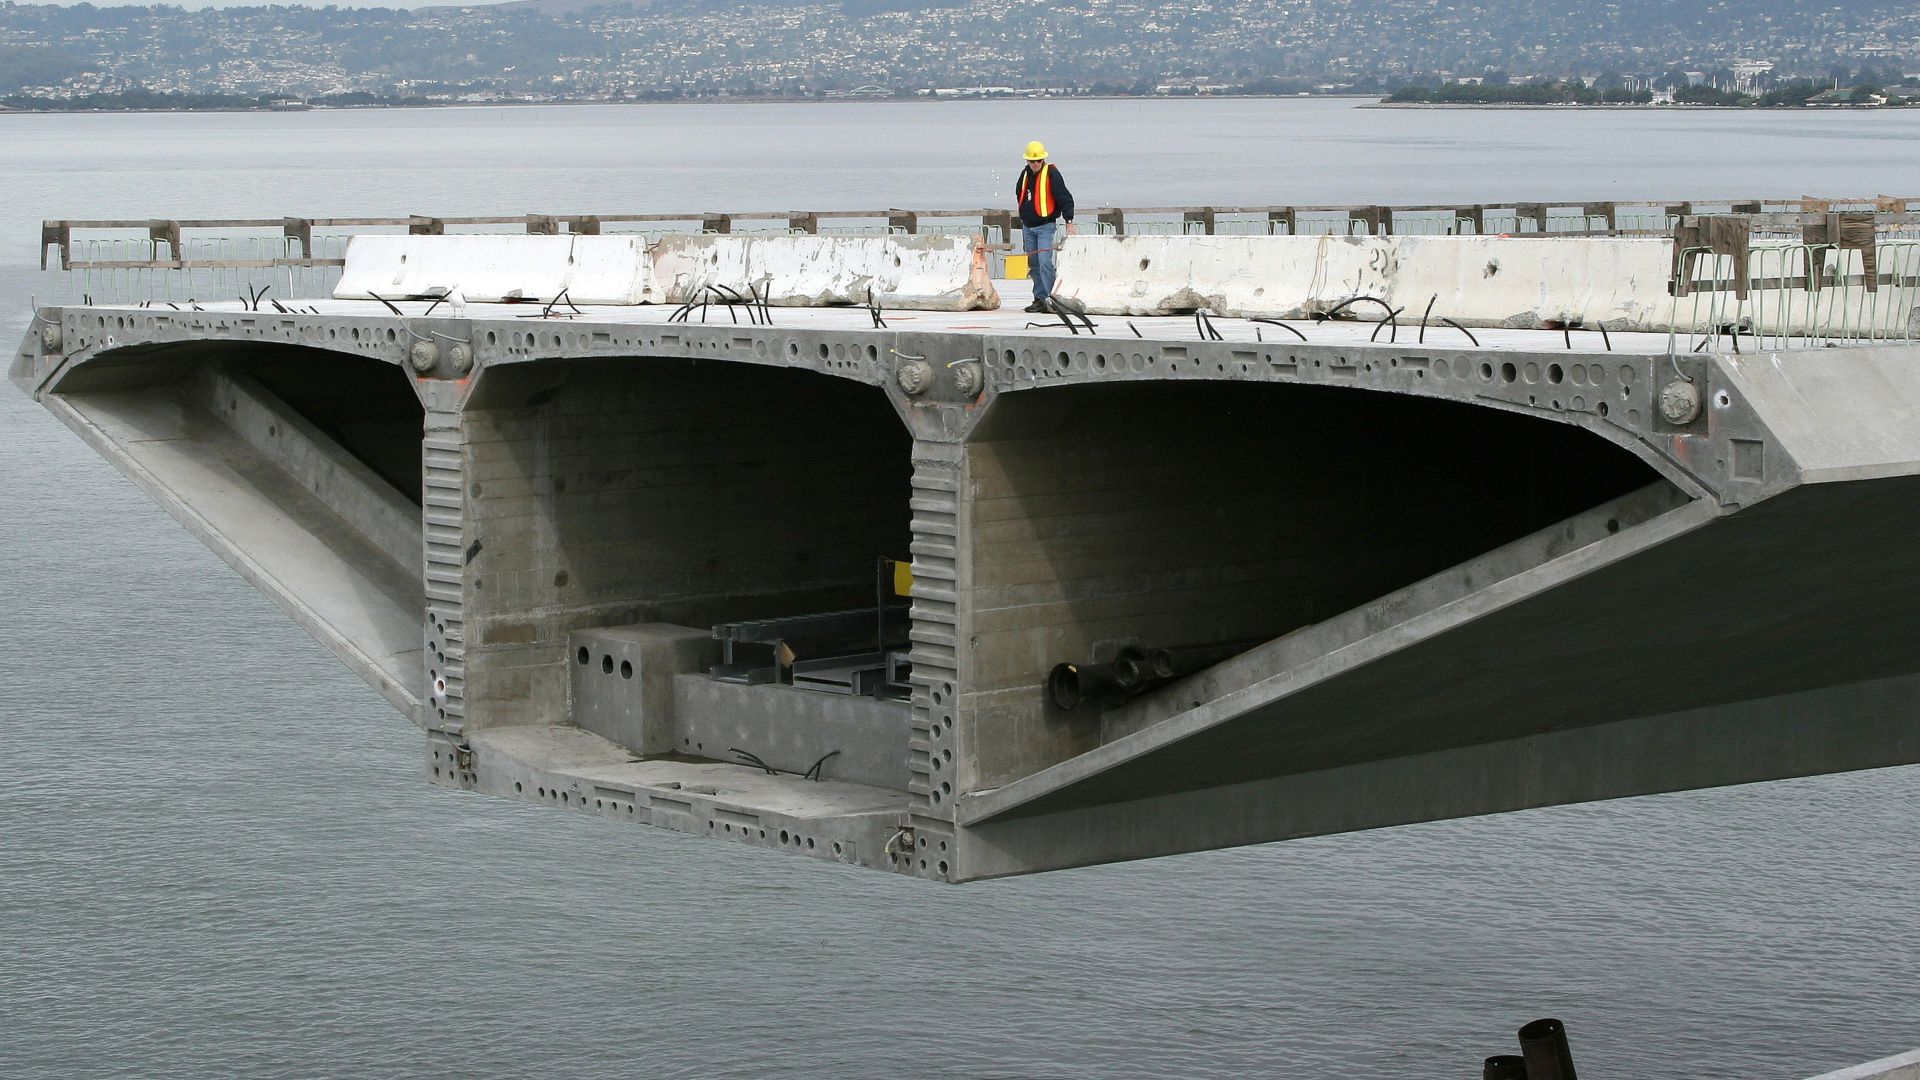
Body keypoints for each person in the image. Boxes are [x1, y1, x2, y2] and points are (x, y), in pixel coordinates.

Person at [1014, 140, 1076, 312]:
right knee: (1034, 264)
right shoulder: (1024, 174)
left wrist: (1069, 221)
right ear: (1027, 161)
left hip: (1045, 227)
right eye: (1032, 161)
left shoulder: (1052, 174)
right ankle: (1040, 299)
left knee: (1045, 262)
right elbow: (1019, 194)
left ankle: (1052, 298)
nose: (1035, 164)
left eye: (1038, 160)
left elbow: (1064, 197)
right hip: (1028, 227)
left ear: (1043, 160)